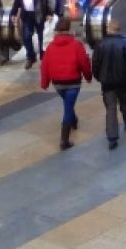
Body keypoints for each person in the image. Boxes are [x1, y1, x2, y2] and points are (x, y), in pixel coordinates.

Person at [40, 20, 92, 151]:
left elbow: (44, 66)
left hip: (57, 83)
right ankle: (64, 141)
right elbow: (84, 63)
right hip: (73, 83)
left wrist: (44, 83)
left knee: (68, 104)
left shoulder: (50, 47)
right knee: (68, 108)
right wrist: (88, 76)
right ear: (69, 30)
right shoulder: (77, 45)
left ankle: (73, 120)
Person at [92, 19, 126, 150]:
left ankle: (112, 137)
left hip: (107, 83)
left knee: (110, 108)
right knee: (125, 102)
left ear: (108, 29)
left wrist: (98, 77)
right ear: (119, 29)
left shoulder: (100, 45)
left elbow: (96, 64)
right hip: (124, 81)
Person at [11, 0, 52, 69]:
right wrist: (14, 12)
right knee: (26, 36)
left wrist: (50, 12)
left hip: (40, 13)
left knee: (41, 36)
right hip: (26, 13)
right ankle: (31, 57)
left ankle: (44, 58)